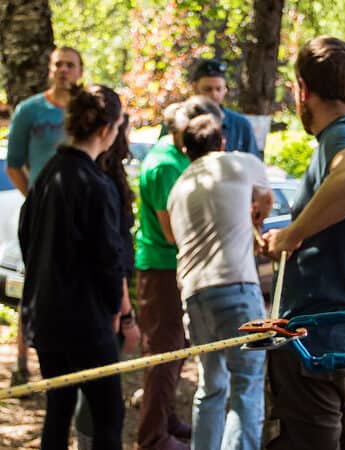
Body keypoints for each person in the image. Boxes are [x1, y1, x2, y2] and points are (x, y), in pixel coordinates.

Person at [263, 36, 345, 450]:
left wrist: (291, 234)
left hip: (315, 349)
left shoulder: (343, 135)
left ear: (303, 89)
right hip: (341, 347)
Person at [18, 84, 125, 450]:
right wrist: (116, 309)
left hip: (46, 316)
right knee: (108, 415)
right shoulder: (95, 184)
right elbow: (107, 257)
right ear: (105, 129)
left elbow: (25, 235)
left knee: (59, 408)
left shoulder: (48, 173)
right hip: (85, 321)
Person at [168, 114, 273, 450]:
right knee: (247, 386)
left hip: (194, 294)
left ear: (185, 149)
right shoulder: (240, 162)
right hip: (237, 286)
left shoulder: (178, 187)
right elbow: (266, 198)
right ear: (222, 142)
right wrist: (255, 219)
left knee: (210, 386)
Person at [135, 96, 222, 450]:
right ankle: (153, 437)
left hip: (169, 265)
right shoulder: (167, 165)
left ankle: (166, 419)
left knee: (174, 348)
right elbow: (175, 230)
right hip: (162, 267)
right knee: (164, 351)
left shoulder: (169, 155)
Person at [6, 46, 83, 386]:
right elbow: (13, 165)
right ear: (50, 69)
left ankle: (76, 357)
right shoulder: (29, 110)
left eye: (70, 65)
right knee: (33, 283)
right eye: (58, 64)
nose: (63, 70)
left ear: (80, 70)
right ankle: (23, 362)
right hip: (40, 217)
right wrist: (37, 200)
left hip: (82, 214)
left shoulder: (87, 109)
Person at [74, 112, 141, 450]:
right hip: (104, 302)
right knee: (101, 395)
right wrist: (124, 313)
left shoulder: (103, 177)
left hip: (100, 297)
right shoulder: (101, 183)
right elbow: (109, 254)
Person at [162, 58, 259, 157]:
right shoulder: (177, 119)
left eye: (218, 89)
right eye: (207, 89)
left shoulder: (240, 125)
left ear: (225, 89)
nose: (214, 94)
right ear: (195, 87)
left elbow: (254, 164)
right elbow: (165, 155)